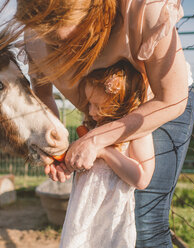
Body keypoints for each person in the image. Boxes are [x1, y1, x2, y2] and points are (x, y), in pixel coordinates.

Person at [0, 0, 194, 246]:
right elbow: (43, 92)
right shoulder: (36, 33)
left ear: (92, 11)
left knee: (144, 221)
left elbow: (171, 100)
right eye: (53, 45)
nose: (65, 55)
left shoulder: (144, 9)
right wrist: (53, 145)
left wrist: (97, 141)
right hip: (100, 117)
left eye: (68, 41)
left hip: (156, 108)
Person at [60, 60, 155, 247]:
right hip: (81, 217)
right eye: (89, 104)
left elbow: (142, 179)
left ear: (120, 103)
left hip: (112, 222)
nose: (91, 111)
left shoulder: (135, 132)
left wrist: (104, 151)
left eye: (98, 105)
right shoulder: (91, 128)